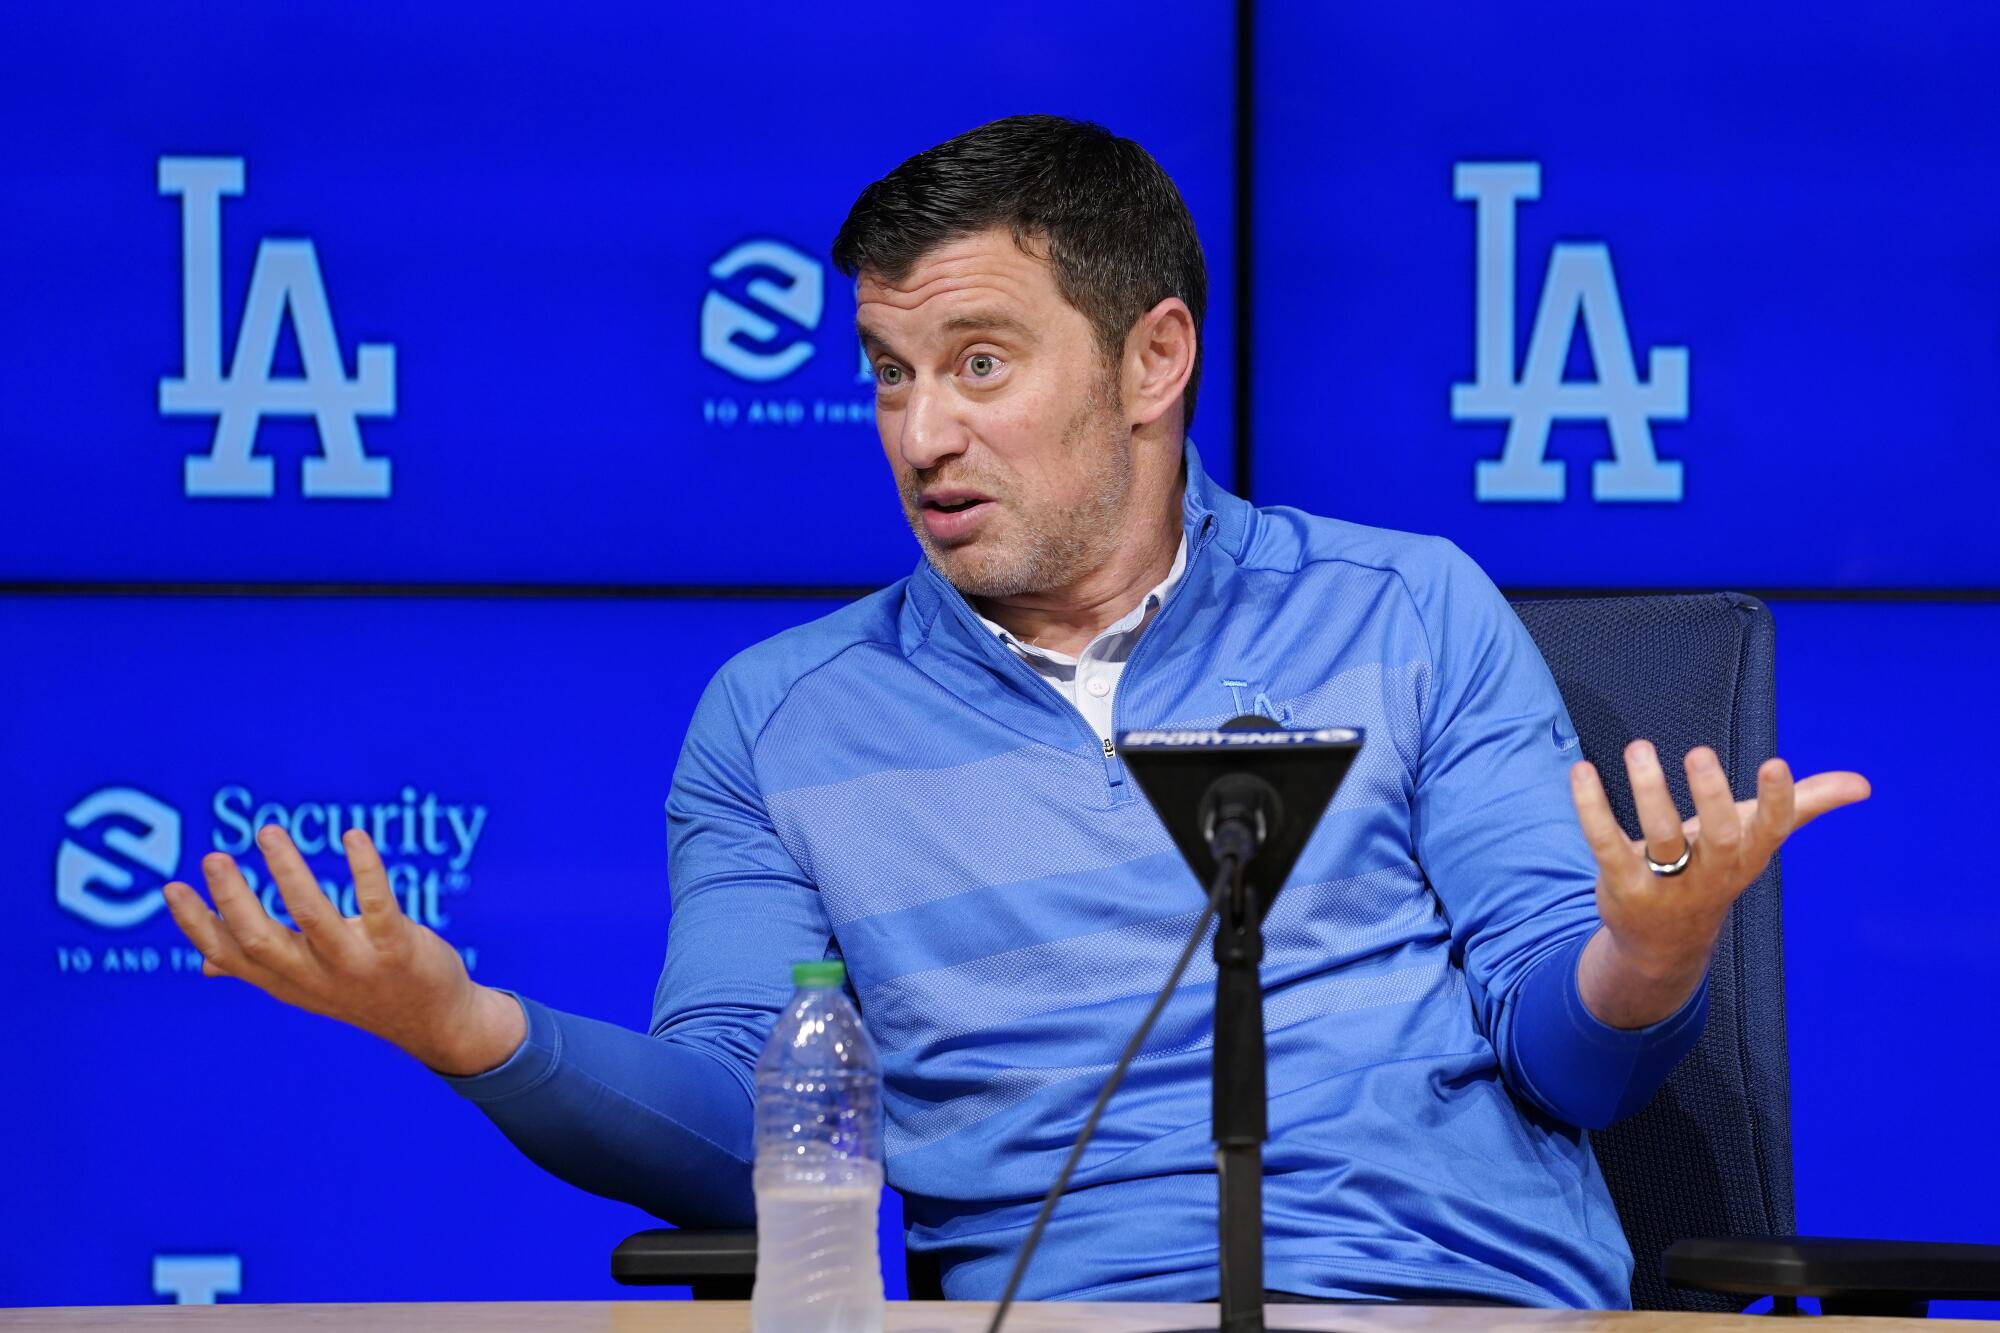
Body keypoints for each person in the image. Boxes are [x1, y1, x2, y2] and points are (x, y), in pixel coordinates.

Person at [161, 115, 1869, 1308]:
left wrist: (1648, 953)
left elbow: (1571, 1065)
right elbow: (747, 1132)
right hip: (1058, 1323)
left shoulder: (1402, 606)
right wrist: (473, 1029)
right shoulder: (782, 720)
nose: (920, 435)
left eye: (979, 362)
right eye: (890, 376)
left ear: (1151, 360)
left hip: (1458, 1305)